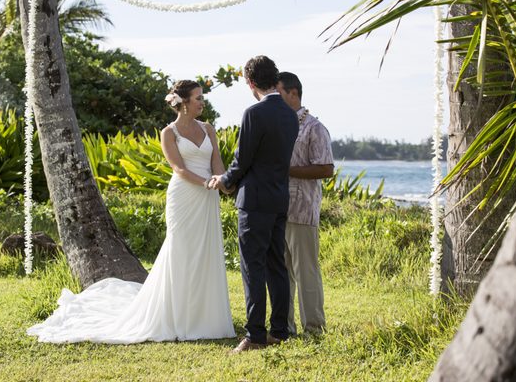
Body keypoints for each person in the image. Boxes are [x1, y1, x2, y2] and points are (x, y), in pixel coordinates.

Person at [27, 80, 236, 344]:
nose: (201, 102)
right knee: (181, 250)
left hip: (207, 197)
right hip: (185, 195)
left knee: (206, 251)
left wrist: (224, 182)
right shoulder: (169, 133)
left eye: (201, 97)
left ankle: (205, 318)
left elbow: (216, 161)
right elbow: (179, 169)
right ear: (183, 103)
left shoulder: (208, 129)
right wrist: (206, 182)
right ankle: (177, 316)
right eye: (197, 98)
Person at [210, 56, 299, 353]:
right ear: (274, 79)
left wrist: (224, 180)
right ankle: (280, 331)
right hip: (279, 199)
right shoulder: (290, 114)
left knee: (253, 268)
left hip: (255, 201)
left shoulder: (254, 113)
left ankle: (255, 335)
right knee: (277, 266)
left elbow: (242, 160)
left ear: (250, 83)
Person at [277, 71, 334, 334]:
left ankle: (314, 328)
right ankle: (284, 327)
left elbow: (325, 168)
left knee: (306, 272)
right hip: (277, 208)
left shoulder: (314, 128)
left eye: (278, 93)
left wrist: (285, 170)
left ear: (293, 93)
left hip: (302, 209)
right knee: (281, 273)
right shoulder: (277, 125)